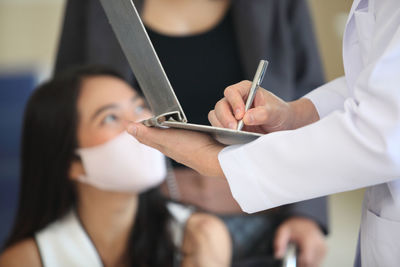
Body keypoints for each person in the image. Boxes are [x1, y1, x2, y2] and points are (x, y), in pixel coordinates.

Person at [125, 0, 400, 266]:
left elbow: (385, 133)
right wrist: (295, 115)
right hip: (150, 214)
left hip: (267, 224)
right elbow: (373, 88)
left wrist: (221, 162)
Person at [55, 0, 328, 265]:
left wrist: (308, 215)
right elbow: (63, 112)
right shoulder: (95, 6)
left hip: (267, 220)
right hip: (140, 222)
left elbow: (310, 106)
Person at [0, 66, 232, 267]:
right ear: (72, 163)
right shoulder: (26, 260)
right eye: (110, 117)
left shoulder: (199, 236)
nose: (140, 125)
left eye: (140, 107)